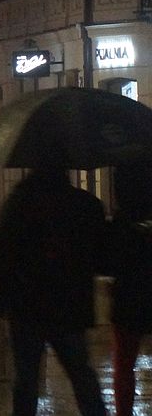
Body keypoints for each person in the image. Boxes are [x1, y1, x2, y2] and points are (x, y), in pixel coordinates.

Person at [0, 168, 106, 416]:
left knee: (26, 378)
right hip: (69, 304)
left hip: (25, 305)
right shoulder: (83, 204)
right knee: (81, 373)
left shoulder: (18, 203)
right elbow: (99, 253)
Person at [108, 164, 152, 416]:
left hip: (128, 297)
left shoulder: (121, 221)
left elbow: (108, 260)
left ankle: (123, 411)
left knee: (124, 364)